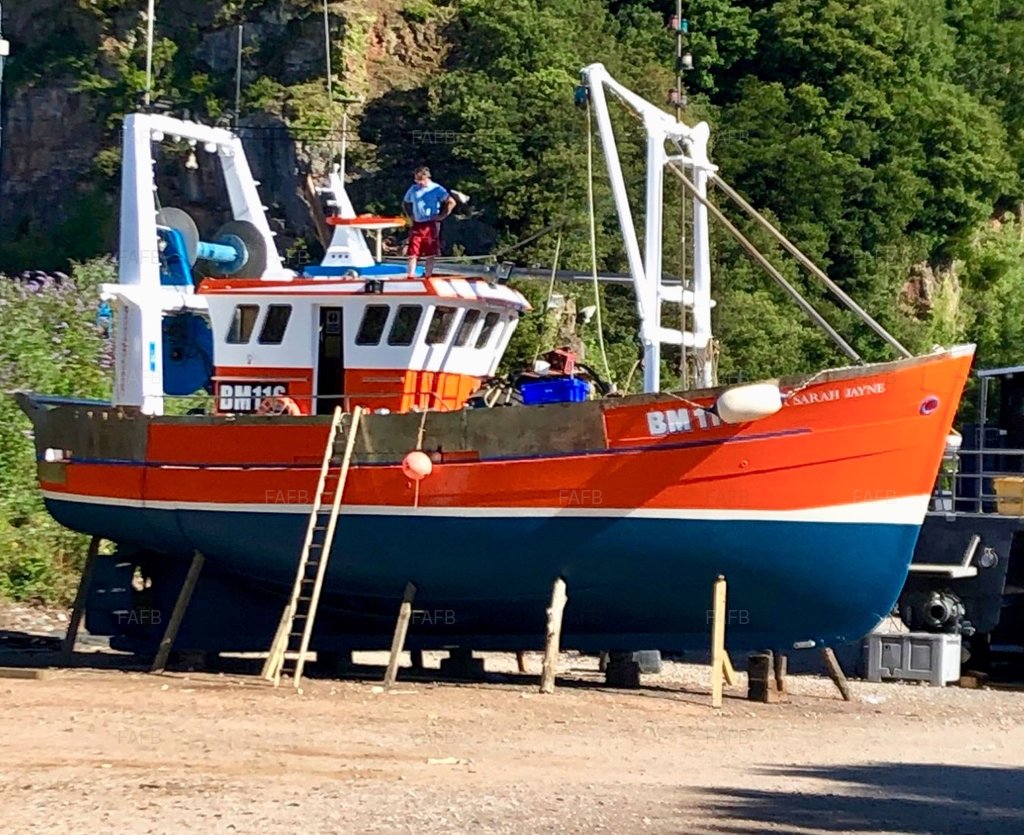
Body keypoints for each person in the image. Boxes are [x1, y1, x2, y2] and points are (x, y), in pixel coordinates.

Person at [403, 166, 456, 278]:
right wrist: (411, 215)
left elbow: (451, 202)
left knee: (430, 252)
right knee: (413, 251)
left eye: (420, 180)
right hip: (417, 223)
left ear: (426, 178)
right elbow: (406, 202)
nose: (418, 182)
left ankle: (428, 275)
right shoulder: (413, 189)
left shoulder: (436, 189)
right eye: (416, 180)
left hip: (430, 223)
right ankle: (410, 275)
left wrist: (442, 216)